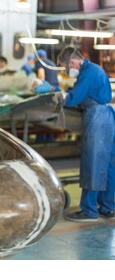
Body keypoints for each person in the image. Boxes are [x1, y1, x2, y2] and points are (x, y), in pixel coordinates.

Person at [56, 46, 115, 222]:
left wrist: (60, 97)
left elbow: (75, 97)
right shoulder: (94, 69)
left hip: (97, 118)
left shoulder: (88, 73)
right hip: (107, 117)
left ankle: (89, 210)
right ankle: (108, 207)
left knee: (93, 163)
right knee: (108, 164)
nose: (67, 71)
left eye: (66, 67)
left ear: (73, 62)